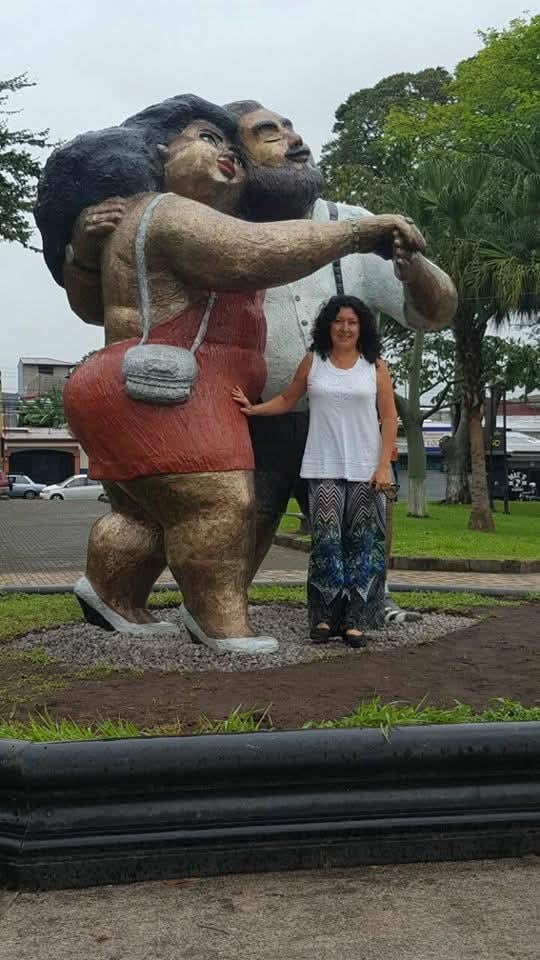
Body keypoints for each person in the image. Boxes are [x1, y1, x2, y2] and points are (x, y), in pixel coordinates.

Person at [35, 94, 423, 653]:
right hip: (169, 381)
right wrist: (359, 234)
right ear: (160, 154)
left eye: (230, 147)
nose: (227, 155)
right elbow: (249, 254)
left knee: (144, 514)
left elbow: (101, 303)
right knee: (218, 502)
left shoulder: (146, 218)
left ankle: (109, 590)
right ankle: (217, 621)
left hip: (136, 380)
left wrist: (83, 255)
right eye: (206, 140)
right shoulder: (168, 211)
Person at [224, 101, 457, 623]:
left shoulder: (353, 224)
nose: (293, 138)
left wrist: (411, 265)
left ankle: (375, 602)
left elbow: (437, 311)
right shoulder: (218, 230)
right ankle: (223, 608)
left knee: (364, 519)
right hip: (255, 419)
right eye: (270, 132)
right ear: (236, 155)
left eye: (290, 126)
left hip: (342, 420)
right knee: (244, 520)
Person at [232, 295, 398, 646]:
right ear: (328, 325)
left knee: (360, 544)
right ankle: (323, 618)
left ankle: (353, 620)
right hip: (323, 467)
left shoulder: (375, 367)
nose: (345, 328)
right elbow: (288, 399)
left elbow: (389, 418)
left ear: (361, 327)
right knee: (325, 544)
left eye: (352, 322)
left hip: (365, 470)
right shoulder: (314, 362)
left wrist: (383, 466)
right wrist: (253, 410)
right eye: (339, 321)